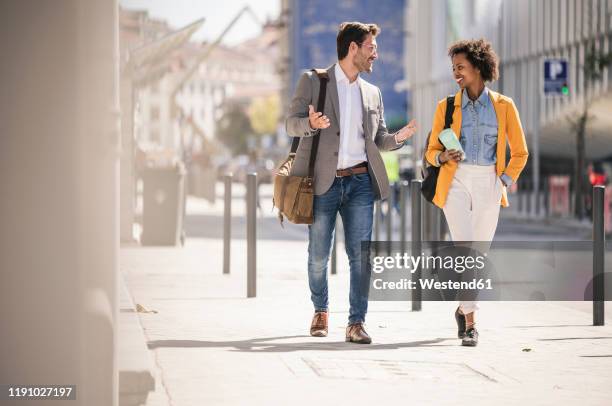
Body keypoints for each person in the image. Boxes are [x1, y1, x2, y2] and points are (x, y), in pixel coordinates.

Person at [286, 22, 417, 344]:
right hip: (323, 183)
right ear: (353, 48)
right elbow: (291, 124)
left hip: (359, 181)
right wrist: (310, 123)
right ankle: (321, 310)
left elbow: (380, 140)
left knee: (361, 256)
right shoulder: (313, 81)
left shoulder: (373, 93)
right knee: (318, 254)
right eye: (371, 47)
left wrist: (398, 138)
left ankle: (356, 322)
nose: (376, 54)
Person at [425, 38, 529, 346]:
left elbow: (520, 152)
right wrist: (443, 157)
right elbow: (431, 152)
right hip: (455, 182)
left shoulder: (504, 106)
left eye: (461, 67)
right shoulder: (445, 107)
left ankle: (461, 307)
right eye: (453, 67)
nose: (456, 73)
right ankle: (470, 323)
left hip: (489, 183)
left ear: (478, 67)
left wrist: (504, 182)